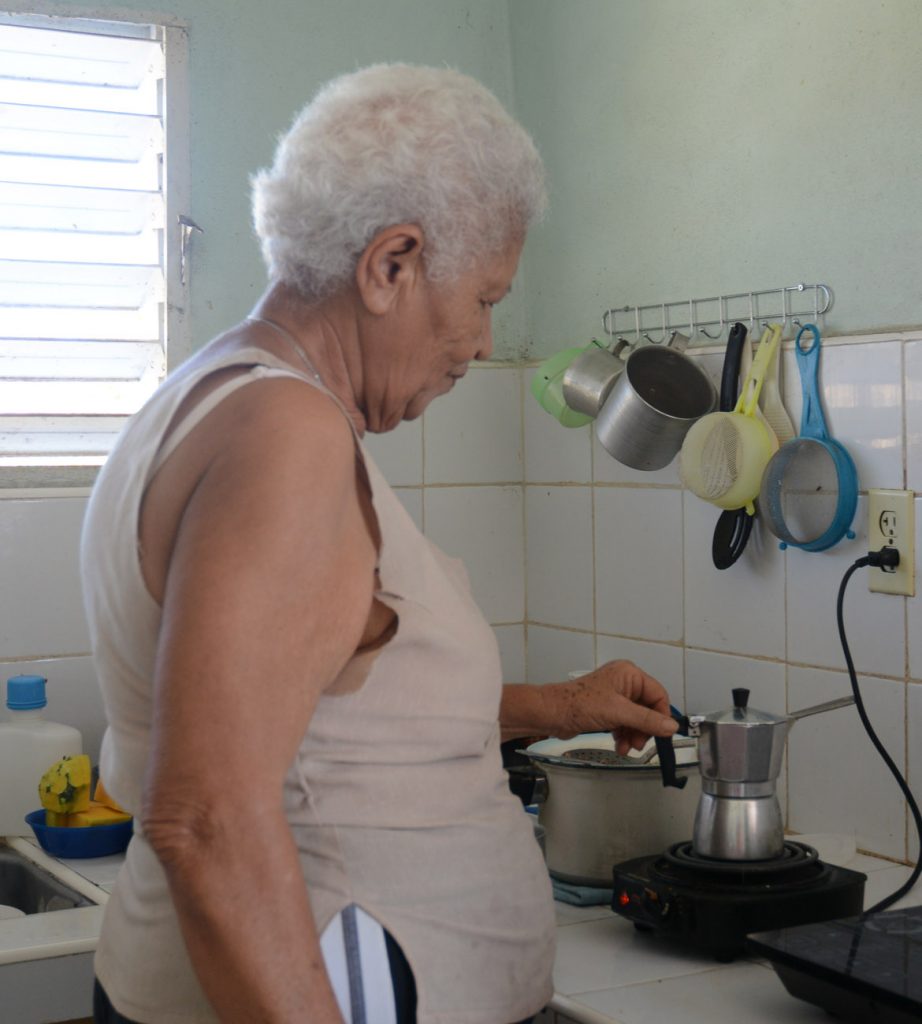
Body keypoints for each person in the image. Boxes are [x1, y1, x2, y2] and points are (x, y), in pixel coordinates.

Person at [81, 64, 679, 1024]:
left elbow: (319, 717)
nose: (486, 342)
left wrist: (558, 705)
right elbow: (207, 817)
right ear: (390, 264)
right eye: (486, 298)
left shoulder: (209, 394)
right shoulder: (287, 436)